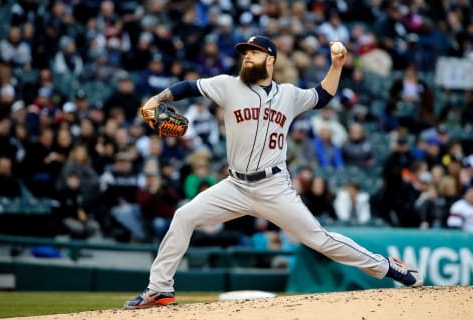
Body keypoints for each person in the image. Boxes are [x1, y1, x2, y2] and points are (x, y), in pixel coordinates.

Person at [124, 35, 423, 309]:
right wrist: (157, 99)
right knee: (184, 216)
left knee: (320, 239)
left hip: (274, 186)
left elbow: (323, 96)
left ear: (270, 60)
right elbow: (189, 87)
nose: (246, 58)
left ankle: (388, 267)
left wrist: (337, 65)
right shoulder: (228, 85)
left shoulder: (289, 95)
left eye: (253, 53)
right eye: (244, 53)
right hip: (235, 186)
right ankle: (159, 289)